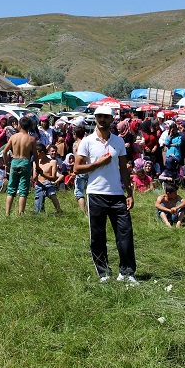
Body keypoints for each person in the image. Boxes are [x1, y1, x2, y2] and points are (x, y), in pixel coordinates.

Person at [74, 106, 137, 285]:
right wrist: (98, 163)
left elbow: (124, 169)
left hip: (117, 194)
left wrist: (129, 192)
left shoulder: (118, 142)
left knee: (125, 233)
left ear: (111, 119)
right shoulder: (86, 142)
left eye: (106, 117)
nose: (102, 119)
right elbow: (77, 168)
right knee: (98, 236)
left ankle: (126, 272)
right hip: (95, 193)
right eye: (99, 116)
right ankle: (104, 273)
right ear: (95, 118)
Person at [3, 116, 42, 216]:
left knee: (11, 189)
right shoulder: (31, 139)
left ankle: (7, 213)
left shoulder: (13, 137)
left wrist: (6, 163)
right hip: (25, 162)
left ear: (19, 125)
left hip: (14, 161)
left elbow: (4, 151)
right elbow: (35, 155)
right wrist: (37, 166)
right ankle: (21, 214)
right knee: (23, 190)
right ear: (29, 127)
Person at [33, 143, 63, 214]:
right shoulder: (35, 162)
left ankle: (59, 210)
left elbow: (53, 178)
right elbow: (34, 178)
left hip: (48, 184)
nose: (35, 155)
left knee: (52, 194)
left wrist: (43, 174)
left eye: (36, 153)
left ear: (42, 153)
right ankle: (41, 209)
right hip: (39, 186)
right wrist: (37, 173)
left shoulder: (53, 162)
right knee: (38, 212)